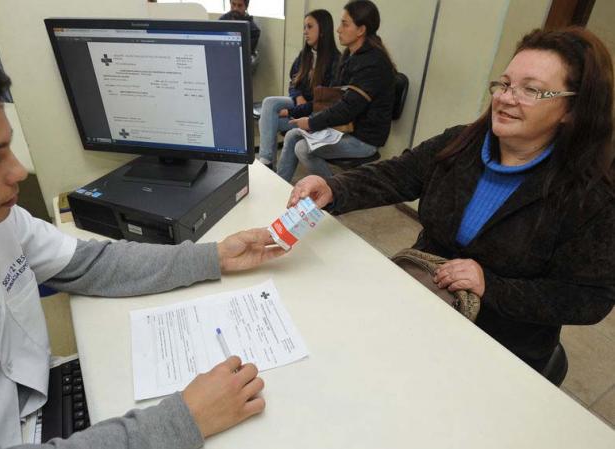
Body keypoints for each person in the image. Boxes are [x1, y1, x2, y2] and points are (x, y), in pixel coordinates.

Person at [0, 48, 286, 448]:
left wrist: (213, 255)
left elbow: (89, 263)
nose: (16, 171)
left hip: (35, 403)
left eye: (8, 149)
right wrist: (183, 420)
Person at [287, 27, 615, 375]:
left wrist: (491, 285)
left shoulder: (591, 194)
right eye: (504, 84)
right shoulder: (462, 143)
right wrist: (335, 188)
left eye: (531, 90)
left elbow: (588, 299)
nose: (505, 98)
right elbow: (398, 174)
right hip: (423, 302)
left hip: (499, 344)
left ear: (572, 109)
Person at [276, 0, 396, 182]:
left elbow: (347, 109)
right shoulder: (351, 55)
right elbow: (332, 99)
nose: (338, 29)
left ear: (361, 30)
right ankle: (280, 184)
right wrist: (298, 114)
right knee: (293, 135)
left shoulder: (373, 63)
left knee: (302, 148)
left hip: (363, 139)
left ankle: (335, 192)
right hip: (343, 129)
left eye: (344, 24)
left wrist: (311, 123)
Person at [258, 9, 340, 170]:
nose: (305, 32)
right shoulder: (306, 54)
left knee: (267, 120)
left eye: (309, 27)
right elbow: (293, 83)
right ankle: (266, 162)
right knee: (269, 103)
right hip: (301, 106)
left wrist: (291, 111)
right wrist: (298, 97)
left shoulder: (335, 61)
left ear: (323, 30)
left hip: (315, 115)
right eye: (304, 28)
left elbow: (322, 104)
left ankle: (271, 170)